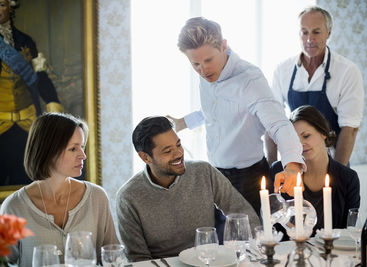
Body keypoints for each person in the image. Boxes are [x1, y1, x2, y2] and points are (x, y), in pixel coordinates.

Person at [167, 17, 305, 214]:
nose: (203, 70)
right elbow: (212, 112)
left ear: (224, 46)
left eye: (208, 60)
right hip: (215, 173)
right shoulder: (207, 75)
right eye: (195, 63)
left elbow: (279, 124)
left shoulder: (250, 79)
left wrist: (292, 166)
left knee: (253, 241)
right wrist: (183, 123)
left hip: (248, 178)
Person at [116, 116, 260, 262]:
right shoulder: (128, 197)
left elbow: (242, 212)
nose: (178, 153)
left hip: (208, 261)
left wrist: (255, 251)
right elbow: (139, 259)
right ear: (145, 158)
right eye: (167, 151)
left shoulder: (204, 171)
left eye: (178, 145)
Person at [0, 113, 119, 267]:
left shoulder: (97, 197)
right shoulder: (14, 207)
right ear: (48, 151)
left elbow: (113, 257)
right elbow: (5, 263)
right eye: (73, 149)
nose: (83, 155)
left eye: (82, 147)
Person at [269, 6, 364, 166]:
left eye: (316, 32)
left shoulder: (347, 71)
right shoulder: (282, 70)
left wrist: (338, 174)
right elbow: (272, 123)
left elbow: (350, 129)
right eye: (304, 32)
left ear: (329, 33)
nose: (309, 39)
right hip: (297, 163)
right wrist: (272, 168)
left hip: (333, 161)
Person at [0, 0, 64, 186]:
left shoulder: (26, 41)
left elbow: (40, 77)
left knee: (26, 179)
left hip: (26, 122)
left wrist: (52, 101)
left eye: (2, 4)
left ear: (11, 7)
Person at [271, 105, 360, 234]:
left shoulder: (348, 179)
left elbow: (348, 231)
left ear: (323, 133)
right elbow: (276, 229)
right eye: (295, 140)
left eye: (306, 136)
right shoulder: (279, 171)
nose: (301, 144)